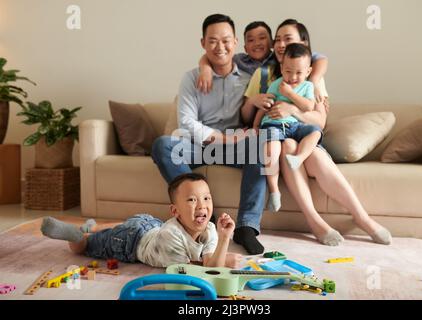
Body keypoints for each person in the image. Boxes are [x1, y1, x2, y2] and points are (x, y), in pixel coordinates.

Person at [243, 19, 392, 246]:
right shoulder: (264, 75)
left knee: (312, 153)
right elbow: (247, 115)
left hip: (302, 134)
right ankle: (315, 222)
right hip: (277, 138)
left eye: (288, 39)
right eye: (278, 39)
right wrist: (256, 102)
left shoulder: (310, 79)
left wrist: (293, 108)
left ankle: (363, 218)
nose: (281, 44)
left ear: (304, 44)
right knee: (287, 147)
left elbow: (319, 120)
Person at [151, 14, 267, 255]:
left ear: (235, 42)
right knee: (162, 145)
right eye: (212, 41)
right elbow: (186, 122)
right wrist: (223, 138)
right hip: (199, 145)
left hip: (236, 147)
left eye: (226, 40)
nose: (220, 47)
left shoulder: (250, 78)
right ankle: (205, 215)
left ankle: (246, 227)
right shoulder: (192, 78)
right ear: (203, 43)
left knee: (260, 149)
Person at [40, 173, 242, 268]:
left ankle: (93, 226)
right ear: (175, 211)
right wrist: (224, 259)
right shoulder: (170, 234)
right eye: (192, 200)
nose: (202, 206)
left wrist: (225, 239)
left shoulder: (210, 229)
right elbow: (193, 269)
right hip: (130, 242)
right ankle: (77, 235)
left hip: (150, 224)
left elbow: (210, 262)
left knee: (118, 227)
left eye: (207, 198)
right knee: (84, 247)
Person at [253, 43, 323, 212]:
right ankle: (274, 191)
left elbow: (308, 107)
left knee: (315, 133)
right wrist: (255, 125)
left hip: (296, 125)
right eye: (288, 71)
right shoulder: (275, 84)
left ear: (308, 71)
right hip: (274, 124)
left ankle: (298, 158)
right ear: (282, 67)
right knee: (271, 150)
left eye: (299, 72)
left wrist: (290, 93)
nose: (292, 77)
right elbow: (265, 106)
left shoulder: (308, 86)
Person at [197, 21, 276, 94]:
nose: (257, 43)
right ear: (245, 48)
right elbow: (215, 56)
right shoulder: (240, 60)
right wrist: (205, 70)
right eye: (251, 40)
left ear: (272, 43)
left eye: (262, 38)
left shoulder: (279, 59)